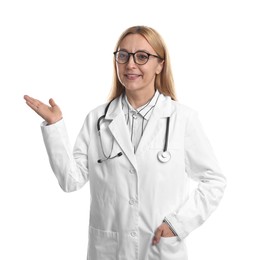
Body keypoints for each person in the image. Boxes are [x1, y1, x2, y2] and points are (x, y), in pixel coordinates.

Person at [24, 25, 226, 260]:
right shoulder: (97, 120)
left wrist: (178, 224)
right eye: (123, 56)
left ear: (160, 64)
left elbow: (214, 181)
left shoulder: (183, 119)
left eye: (142, 57)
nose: (130, 64)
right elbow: (71, 180)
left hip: (159, 248)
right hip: (109, 250)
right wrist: (54, 126)